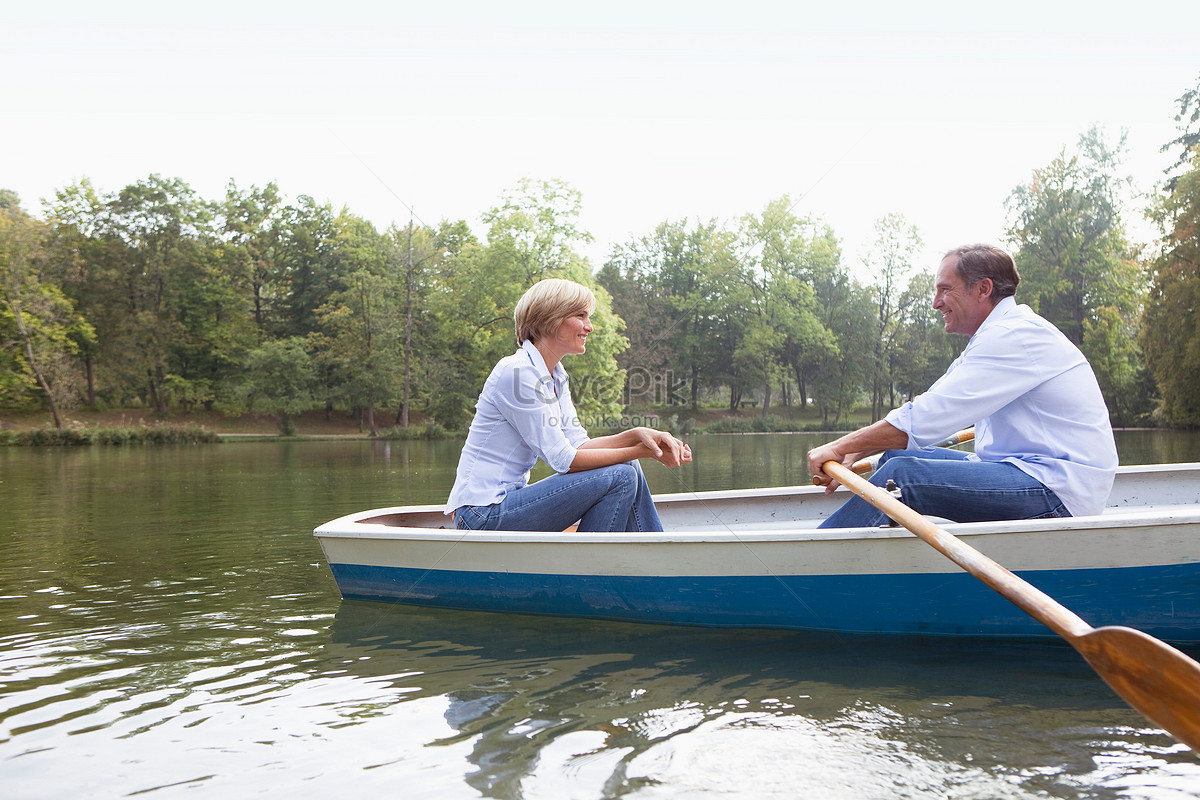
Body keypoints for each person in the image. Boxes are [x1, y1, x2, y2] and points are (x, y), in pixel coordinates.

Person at [807, 244, 1117, 528]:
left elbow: (927, 419)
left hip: (1059, 490)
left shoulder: (1013, 337)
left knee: (903, 477)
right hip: (1030, 471)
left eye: (944, 289)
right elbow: (926, 408)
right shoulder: (995, 337)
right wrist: (858, 448)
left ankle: (808, 561)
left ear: (983, 289)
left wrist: (840, 446)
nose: (935, 303)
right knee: (891, 458)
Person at [445, 278, 691, 532]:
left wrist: (637, 436)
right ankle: (603, 565)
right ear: (550, 318)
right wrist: (643, 450)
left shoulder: (556, 376)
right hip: (481, 514)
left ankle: (651, 555)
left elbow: (577, 445)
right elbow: (564, 460)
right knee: (621, 474)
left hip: (504, 505)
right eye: (581, 315)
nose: (590, 327)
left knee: (628, 467)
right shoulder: (518, 373)